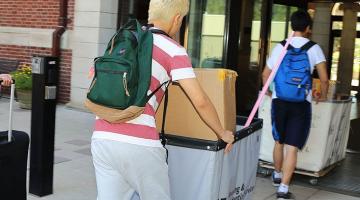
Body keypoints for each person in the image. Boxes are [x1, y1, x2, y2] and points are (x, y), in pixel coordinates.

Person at [90, 0, 235, 199]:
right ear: (177, 19)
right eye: (181, 20)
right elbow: (200, 100)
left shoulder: (123, 39)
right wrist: (222, 132)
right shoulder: (173, 50)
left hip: (102, 138)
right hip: (140, 145)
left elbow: (96, 77)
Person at [262, 10, 329, 200]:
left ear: (292, 26)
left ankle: (276, 174)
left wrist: (269, 92)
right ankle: (283, 189)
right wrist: (322, 96)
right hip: (301, 103)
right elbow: (324, 79)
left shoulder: (280, 47)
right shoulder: (314, 48)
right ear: (308, 28)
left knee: (278, 141)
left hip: (279, 100)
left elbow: (265, 75)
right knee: (291, 147)